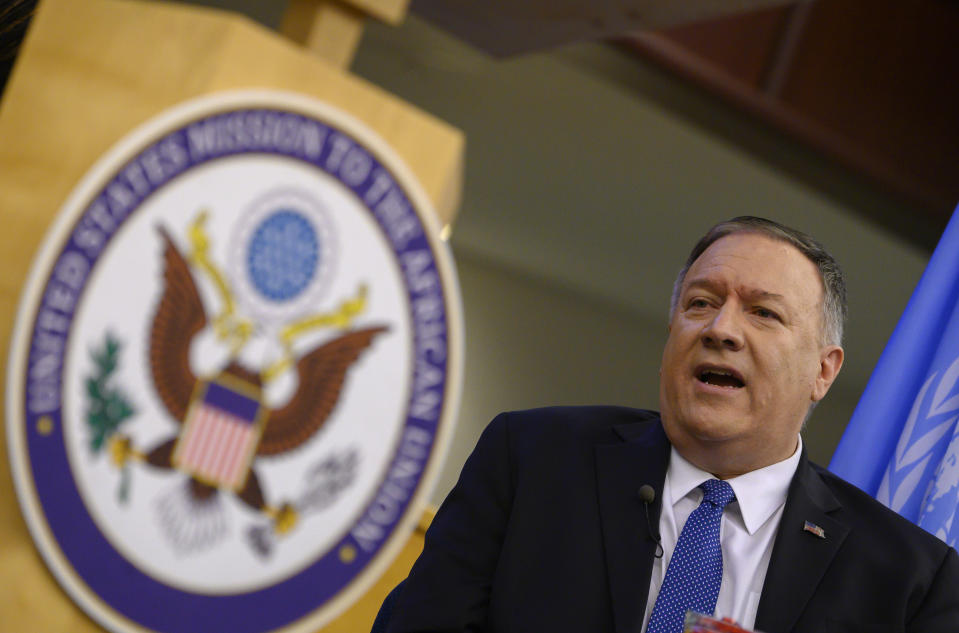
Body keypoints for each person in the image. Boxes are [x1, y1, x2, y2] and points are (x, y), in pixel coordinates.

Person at [383, 217, 959, 633]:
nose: (721, 329)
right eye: (701, 302)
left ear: (822, 372)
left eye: (763, 313)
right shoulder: (532, 459)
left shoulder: (911, 578)